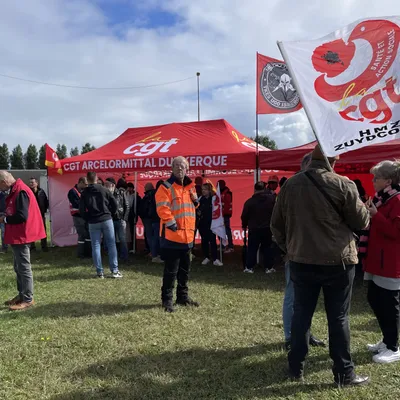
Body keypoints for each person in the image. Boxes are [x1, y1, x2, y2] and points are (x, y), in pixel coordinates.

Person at [271, 144, 370, 386]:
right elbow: (362, 222)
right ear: (334, 161)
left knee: (301, 314)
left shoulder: (290, 185)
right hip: (338, 261)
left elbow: (276, 225)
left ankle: (295, 369)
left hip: (301, 260)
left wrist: (290, 249)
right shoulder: (343, 184)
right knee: (338, 318)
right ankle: (344, 374)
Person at [281, 153, 326, 351]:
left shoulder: (322, 186)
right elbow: (278, 222)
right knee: (293, 294)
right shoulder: (291, 187)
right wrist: (288, 246)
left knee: (308, 297)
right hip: (296, 251)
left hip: (316, 252)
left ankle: (305, 332)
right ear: (306, 165)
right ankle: (291, 335)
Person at [362, 160, 400, 364]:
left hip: (390, 262)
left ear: (388, 181)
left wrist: (376, 216)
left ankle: (393, 346)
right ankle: (387, 340)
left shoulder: (397, 200)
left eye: (376, 178)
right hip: (377, 259)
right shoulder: (381, 198)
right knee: (375, 299)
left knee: (388, 304)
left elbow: (396, 232)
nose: (373, 181)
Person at [156, 156, 199, 313]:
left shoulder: (190, 187)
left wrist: (197, 202)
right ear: (172, 168)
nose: (180, 168)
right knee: (171, 271)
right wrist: (170, 221)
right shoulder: (165, 187)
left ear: (187, 169)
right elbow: (162, 207)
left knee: (184, 270)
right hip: (172, 237)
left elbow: (194, 205)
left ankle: (182, 297)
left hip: (188, 237)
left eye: (182, 166)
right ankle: (166, 300)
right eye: (176, 166)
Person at [0, 171, 46, 310]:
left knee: (24, 268)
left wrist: (5, 219)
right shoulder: (18, 189)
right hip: (18, 235)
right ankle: (22, 294)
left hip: (22, 235)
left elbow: (22, 215)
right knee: (18, 267)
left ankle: (27, 298)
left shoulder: (20, 191)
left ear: (4, 182)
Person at [80, 172, 122, 279]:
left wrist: (87, 218)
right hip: (106, 219)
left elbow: (81, 210)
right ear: (96, 178)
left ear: (87, 180)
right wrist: (110, 213)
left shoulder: (84, 192)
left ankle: (100, 272)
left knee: (96, 246)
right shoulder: (104, 189)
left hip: (93, 221)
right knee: (111, 244)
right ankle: (114, 271)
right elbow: (115, 204)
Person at [241, 182, 275, 274]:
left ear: (254, 189)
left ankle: (249, 267)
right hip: (267, 228)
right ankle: (269, 267)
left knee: (252, 248)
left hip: (254, 228)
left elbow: (244, 216)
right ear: (264, 189)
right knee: (267, 248)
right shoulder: (271, 200)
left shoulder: (249, 202)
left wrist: (244, 225)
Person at [198, 183, 223, 267]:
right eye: (202, 189)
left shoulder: (213, 199)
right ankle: (206, 257)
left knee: (212, 240)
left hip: (212, 223)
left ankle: (215, 258)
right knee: (204, 240)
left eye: (205, 189)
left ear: (209, 190)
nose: (203, 191)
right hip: (202, 224)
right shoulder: (200, 199)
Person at [105, 178, 129, 262]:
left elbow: (126, 206)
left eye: (107, 184)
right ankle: (113, 257)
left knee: (122, 239)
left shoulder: (121, 193)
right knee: (111, 239)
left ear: (113, 185)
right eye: (105, 185)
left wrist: (124, 218)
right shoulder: (106, 193)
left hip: (120, 219)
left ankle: (124, 257)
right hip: (110, 220)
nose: (106, 186)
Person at [67, 177, 91, 258]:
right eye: (85, 184)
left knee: (88, 235)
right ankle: (81, 254)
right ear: (80, 182)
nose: (86, 186)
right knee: (82, 235)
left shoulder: (84, 191)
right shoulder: (72, 191)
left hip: (86, 216)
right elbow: (76, 204)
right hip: (78, 216)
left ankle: (88, 253)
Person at [141, 182, 163, 263]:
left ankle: (154, 254)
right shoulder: (158, 195)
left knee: (152, 237)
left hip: (151, 218)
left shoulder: (150, 195)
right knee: (156, 237)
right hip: (157, 218)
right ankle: (156, 255)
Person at [28, 177, 49, 252]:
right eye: (30, 183)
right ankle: (32, 247)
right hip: (31, 215)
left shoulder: (41, 192)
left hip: (41, 214)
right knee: (31, 231)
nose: (31, 184)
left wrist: (44, 210)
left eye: (32, 182)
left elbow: (46, 202)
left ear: (37, 183)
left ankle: (44, 246)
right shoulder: (28, 192)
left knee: (43, 231)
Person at [217, 180, 234, 253]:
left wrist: (222, 214)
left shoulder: (227, 193)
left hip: (225, 215)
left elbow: (227, 205)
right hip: (219, 215)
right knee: (219, 230)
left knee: (227, 230)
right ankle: (223, 245)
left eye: (219, 185)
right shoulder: (218, 192)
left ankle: (230, 246)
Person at [126, 183, 142, 253]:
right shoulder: (126, 195)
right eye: (128, 188)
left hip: (133, 215)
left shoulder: (136, 196)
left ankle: (133, 247)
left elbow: (137, 206)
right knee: (127, 231)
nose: (129, 189)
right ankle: (128, 246)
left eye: (130, 188)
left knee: (132, 231)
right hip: (127, 215)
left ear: (133, 188)